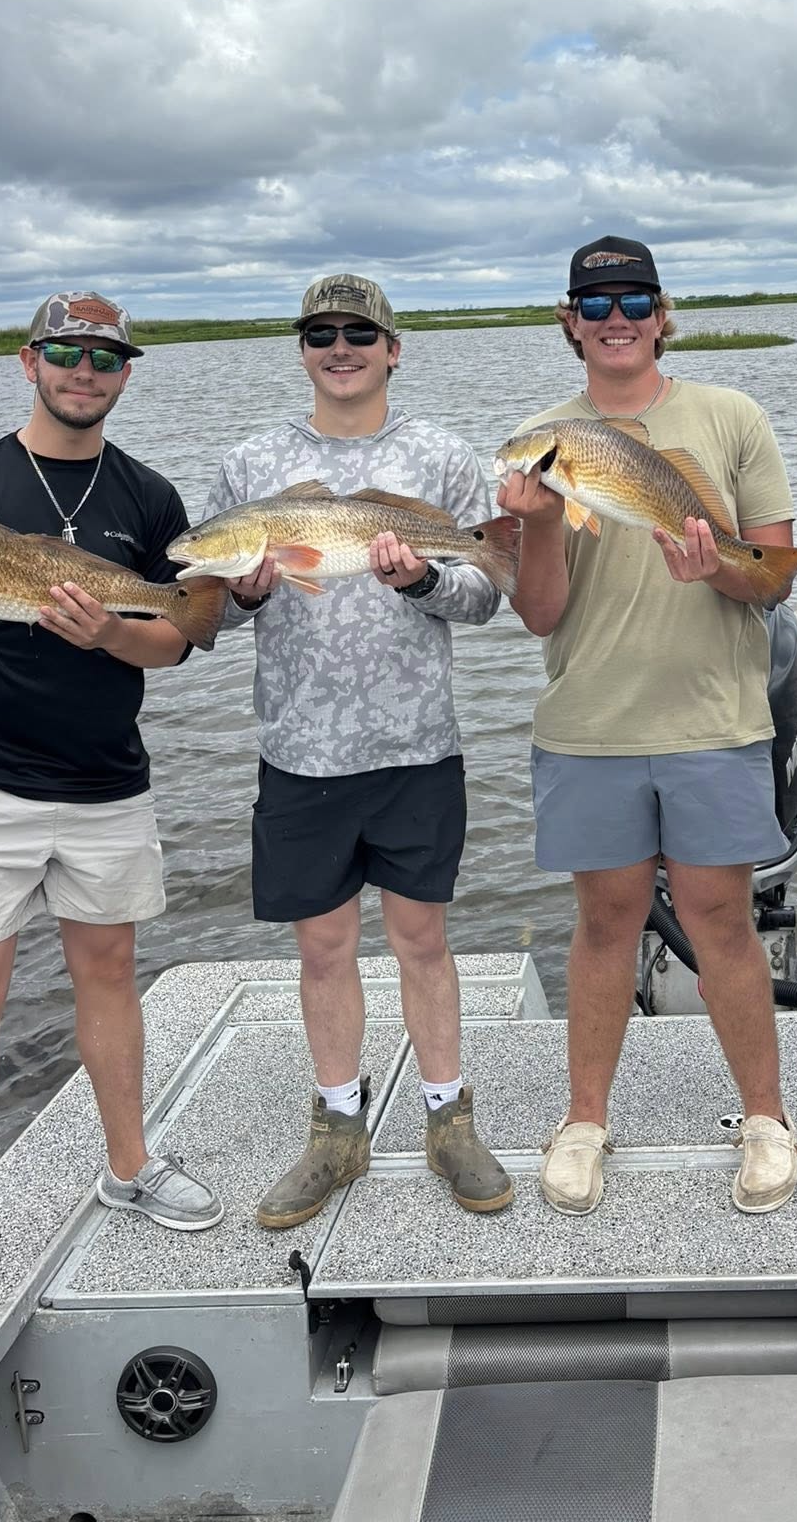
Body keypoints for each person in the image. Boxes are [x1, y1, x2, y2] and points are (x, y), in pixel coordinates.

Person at [0, 293, 222, 1344]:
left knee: (110, 973)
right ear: (29, 359)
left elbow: (174, 637)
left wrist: (106, 636)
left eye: (107, 357)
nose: (86, 370)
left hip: (103, 779)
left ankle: (129, 1164)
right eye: (68, 353)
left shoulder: (149, 494)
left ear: (125, 372)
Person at [499, 235, 797, 1216]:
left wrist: (713, 562)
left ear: (664, 313)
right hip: (590, 721)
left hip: (714, 717)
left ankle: (765, 1116)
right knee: (603, 921)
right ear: (569, 322)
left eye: (634, 299)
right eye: (595, 303)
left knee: (723, 920)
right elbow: (539, 613)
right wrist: (540, 521)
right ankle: (583, 1119)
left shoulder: (730, 417)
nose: (615, 317)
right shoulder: (541, 436)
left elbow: (773, 577)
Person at [207, 273, 512, 1228]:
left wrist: (425, 578)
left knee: (422, 938)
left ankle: (447, 1117)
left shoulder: (442, 458)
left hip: (417, 743)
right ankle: (337, 1128)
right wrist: (247, 588)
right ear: (302, 348)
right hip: (299, 749)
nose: (340, 348)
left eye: (358, 333)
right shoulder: (251, 465)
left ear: (392, 347)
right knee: (325, 946)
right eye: (320, 332)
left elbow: (484, 595)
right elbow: (209, 603)